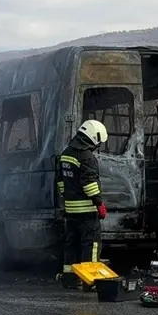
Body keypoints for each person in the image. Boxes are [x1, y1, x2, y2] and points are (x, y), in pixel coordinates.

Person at [55, 119, 109, 289]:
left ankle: (70, 279)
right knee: (91, 246)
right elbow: (89, 183)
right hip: (87, 213)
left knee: (71, 244)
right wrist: (99, 203)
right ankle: (90, 281)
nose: (98, 146)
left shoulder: (65, 154)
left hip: (71, 211)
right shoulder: (87, 157)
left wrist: (69, 196)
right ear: (94, 138)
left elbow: (60, 182)